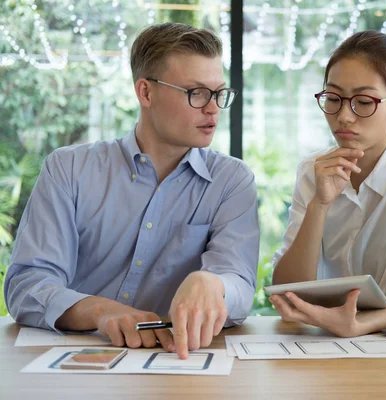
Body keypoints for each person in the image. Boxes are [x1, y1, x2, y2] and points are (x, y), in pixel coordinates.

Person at [4, 22, 259, 359]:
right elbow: (27, 284)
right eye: (196, 93)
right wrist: (101, 312)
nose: (212, 108)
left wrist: (214, 284)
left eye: (218, 93)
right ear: (146, 92)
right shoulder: (68, 169)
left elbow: (238, 286)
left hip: (179, 364)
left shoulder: (232, 180)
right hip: (80, 362)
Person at [270, 30, 386, 337]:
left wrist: (356, 325)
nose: (344, 116)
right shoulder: (314, 170)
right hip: (336, 346)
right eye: (333, 98)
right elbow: (288, 288)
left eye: (363, 101)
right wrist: (319, 205)